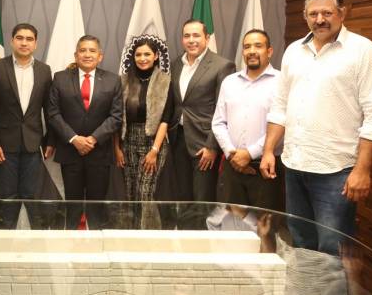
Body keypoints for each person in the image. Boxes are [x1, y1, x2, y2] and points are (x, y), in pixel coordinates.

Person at [262, 0, 372, 255]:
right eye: (313, 14)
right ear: (305, 16)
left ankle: (332, 287)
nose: (320, 20)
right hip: (295, 166)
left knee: (333, 249)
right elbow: (280, 106)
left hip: (336, 172)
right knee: (301, 243)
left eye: (327, 13)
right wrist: (269, 150)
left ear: (342, 13)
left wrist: (362, 170)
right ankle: (308, 285)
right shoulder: (294, 51)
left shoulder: (364, 51)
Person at [0, 23, 54, 229]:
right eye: (20, 38)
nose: (24, 43)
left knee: (31, 194)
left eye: (29, 39)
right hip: (4, 146)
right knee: (8, 195)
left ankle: (31, 238)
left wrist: (50, 141)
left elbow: (49, 110)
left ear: (36, 44)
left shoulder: (44, 70)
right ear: (12, 41)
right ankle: (9, 235)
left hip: (33, 144)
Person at [47, 35, 122, 229]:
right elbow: (53, 113)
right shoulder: (60, 78)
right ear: (76, 55)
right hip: (70, 152)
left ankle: (95, 244)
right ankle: (72, 243)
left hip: (100, 153)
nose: (87, 54)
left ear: (100, 56)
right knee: (72, 207)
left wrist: (93, 139)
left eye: (92, 51)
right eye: (83, 50)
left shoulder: (113, 80)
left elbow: (116, 117)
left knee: (97, 209)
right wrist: (74, 139)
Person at [212, 29, 282, 210]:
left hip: (266, 167)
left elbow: (283, 123)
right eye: (247, 47)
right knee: (231, 222)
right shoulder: (229, 82)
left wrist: (249, 154)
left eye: (258, 46)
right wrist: (232, 155)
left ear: (269, 51)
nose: (252, 51)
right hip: (232, 166)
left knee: (265, 224)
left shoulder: (282, 82)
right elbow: (218, 122)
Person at [168, 19, 235, 203]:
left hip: (204, 143)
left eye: (196, 35)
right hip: (178, 140)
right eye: (187, 36)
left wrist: (212, 147)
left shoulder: (222, 66)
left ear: (207, 38)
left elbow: (223, 110)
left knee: (202, 200)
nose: (191, 40)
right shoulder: (176, 64)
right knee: (182, 198)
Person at [114, 34, 173, 228]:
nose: (142, 58)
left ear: (156, 56)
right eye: (138, 54)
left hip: (153, 142)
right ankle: (131, 235)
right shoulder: (123, 81)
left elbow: (165, 119)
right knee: (130, 193)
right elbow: (117, 117)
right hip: (128, 141)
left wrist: (154, 151)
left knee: (145, 193)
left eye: (147, 54)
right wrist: (117, 148)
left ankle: (148, 237)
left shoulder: (165, 81)